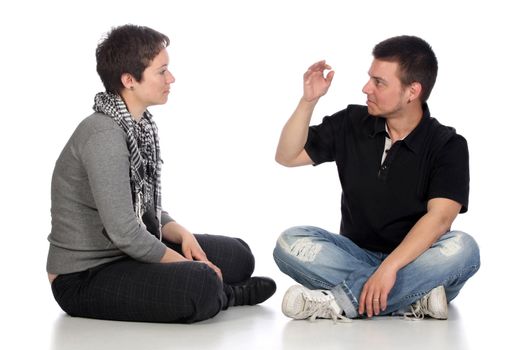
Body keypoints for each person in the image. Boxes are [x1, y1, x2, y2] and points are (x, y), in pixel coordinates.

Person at [46, 24, 275, 323]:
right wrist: (184, 265)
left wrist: (182, 234)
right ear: (129, 80)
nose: (171, 78)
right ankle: (227, 295)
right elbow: (125, 232)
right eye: (162, 71)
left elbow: (141, 208)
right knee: (200, 284)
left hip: (127, 252)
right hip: (85, 275)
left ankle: (216, 285)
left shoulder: (138, 126)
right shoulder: (103, 135)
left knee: (239, 256)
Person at [273, 35, 480, 321]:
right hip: (354, 254)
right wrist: (308, 101)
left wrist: (390, 268)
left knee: (465, 249)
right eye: (370, 78)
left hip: (419, 259)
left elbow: (441, 220)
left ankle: (340, 302)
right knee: (289, 243)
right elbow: (287, 155)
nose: (366, 88)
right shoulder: (351, 122)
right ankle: (413, 300)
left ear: (412, 91)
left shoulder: (448, 145)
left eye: (379, 82)